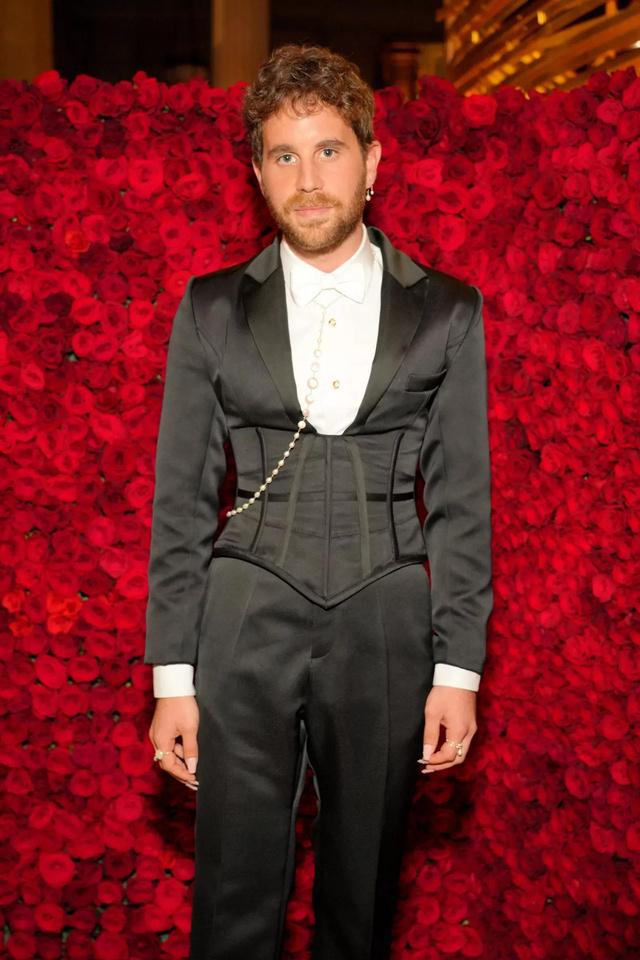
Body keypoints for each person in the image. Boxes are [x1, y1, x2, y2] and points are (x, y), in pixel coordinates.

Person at [145, 42, 493, 960]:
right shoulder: (210, 308)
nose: (309, 178)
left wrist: (458, 670)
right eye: (285, 155)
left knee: (363, 899)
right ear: (258, 174)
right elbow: (181, 501)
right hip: (242, 617)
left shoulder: (448, 311)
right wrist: (172, 678)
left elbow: (463, 503)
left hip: (386, 619)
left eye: (329, 150)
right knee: (232, 893)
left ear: (372, 161)